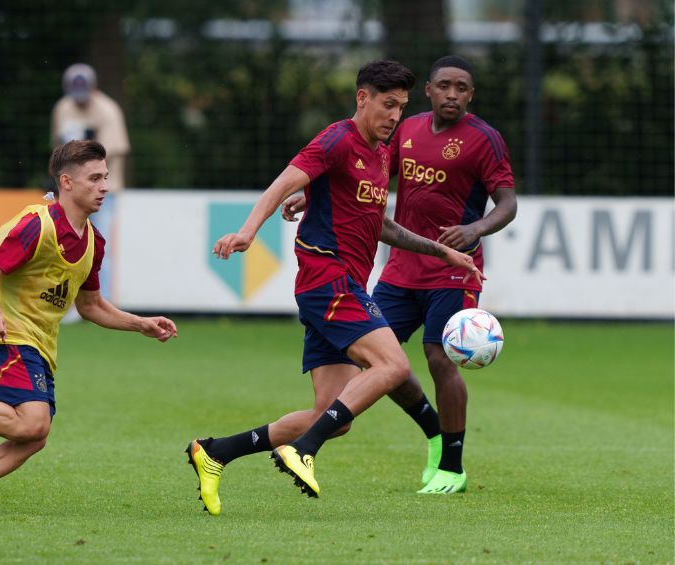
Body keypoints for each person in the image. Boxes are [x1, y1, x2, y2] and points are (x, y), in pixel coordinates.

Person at [186, 60, 483, 516]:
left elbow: (380, 224)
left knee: (332, 414)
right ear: (362, 98)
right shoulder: (336, 139)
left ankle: (216, 452)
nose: (395, 117)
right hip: (330, 280)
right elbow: (283, 183)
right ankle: (304, 450)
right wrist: (248, 231)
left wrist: (443, 252)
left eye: (402, 108)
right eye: (387, 105)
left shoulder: (381, 153)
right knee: (393, 364)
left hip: (334, 287)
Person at [0, 140, 177, 516]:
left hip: (41, 346)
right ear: (67, 182)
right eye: (95, 178)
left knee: (34, 436)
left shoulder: (94, 242)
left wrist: (141, 324)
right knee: (33, 422)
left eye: (105, 177)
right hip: (8, 335)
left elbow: (90, 306)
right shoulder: (37, 225)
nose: (105, 186)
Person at [283, 55, 517, 495]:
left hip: (453, 269)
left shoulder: (485, 139)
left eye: (462, 87)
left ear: (471, 94)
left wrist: (476, 228)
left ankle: (452, 465)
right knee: (379, 360)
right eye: (444, 85)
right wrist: (312, 195)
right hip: (400, 268)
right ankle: (433, 431)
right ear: (428, 91)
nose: (453, 94)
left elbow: (508, 202)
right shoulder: (402, 130)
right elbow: (360, 178)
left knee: (437, 356)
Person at [52, 63, 130, 310]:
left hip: (104, 193)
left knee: (97, 246)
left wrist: (84, 142)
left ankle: (101, 303)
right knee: (65, 244)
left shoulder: (108, 110)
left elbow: (108, 154)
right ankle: (68, 302)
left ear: (93, 87)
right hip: (70, 191)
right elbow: (58, 148)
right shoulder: (63, 108)